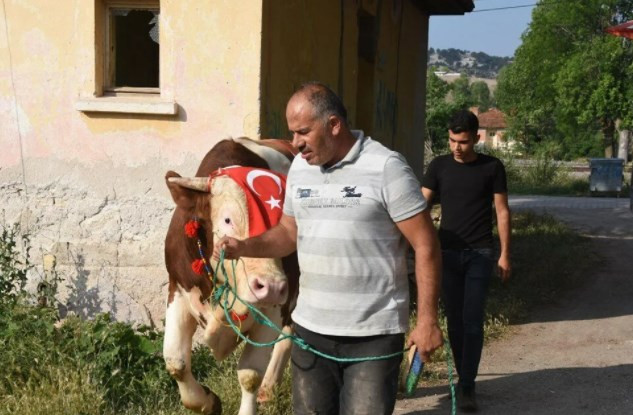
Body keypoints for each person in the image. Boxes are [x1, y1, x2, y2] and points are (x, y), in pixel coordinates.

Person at [214, 82, 443, 414]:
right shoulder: (301, 169)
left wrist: (428, 321)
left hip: (372, 335)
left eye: (303, 132)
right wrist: (244, 246)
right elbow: (288, 233)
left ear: (334, 125)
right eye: (292, 133)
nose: (295, 143)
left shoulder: (385, 167)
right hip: (310, 332)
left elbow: (425, 244)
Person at [421, 109, 511, 412]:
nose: (456, 147)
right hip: (445, 254)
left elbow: (502, 212)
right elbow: (421, 207)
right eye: (451, 140)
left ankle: (468, 386)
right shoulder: (439, 166)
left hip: (480, 254)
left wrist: (505, 254)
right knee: (455, 324)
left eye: (462, 142)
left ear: (476, 138)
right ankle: (463, 380)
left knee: (472, 321)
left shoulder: (492, 168)